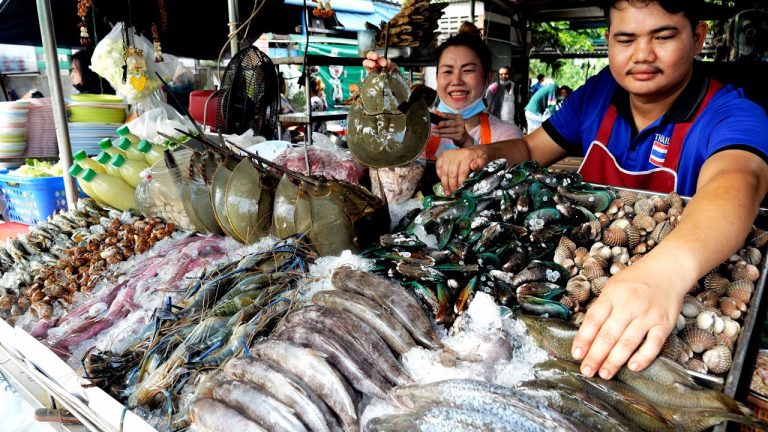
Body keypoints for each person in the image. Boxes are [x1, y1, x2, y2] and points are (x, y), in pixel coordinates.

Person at [436, 0, 768, 380]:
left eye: (663, 37)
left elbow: (739, 182)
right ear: (608, 40)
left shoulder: (732, 112)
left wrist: (664, 272)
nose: (642, 55)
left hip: (676, 280)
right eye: (626, 39)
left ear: (697, 37)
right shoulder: (595, 95)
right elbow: (529, 149)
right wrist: (482, 153)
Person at [363, 22, 523, 162]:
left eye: (468, 71)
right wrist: (387, 87)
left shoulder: (507, 136)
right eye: (447, 71)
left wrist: (469, 143)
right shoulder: (414, 126)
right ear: (437, 77)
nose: (457, 81)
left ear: (488, 77)